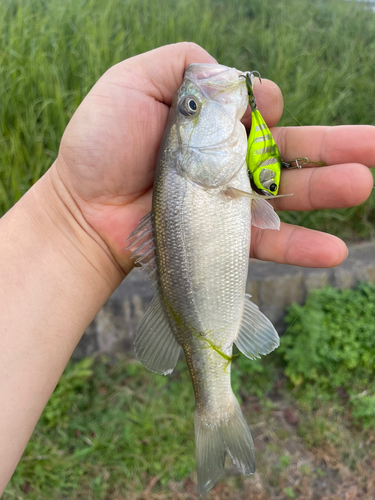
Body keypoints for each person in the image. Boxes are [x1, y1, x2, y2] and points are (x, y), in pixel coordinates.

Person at [0, 42, 374, 493]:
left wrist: (73, 219)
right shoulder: (201, 175)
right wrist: (74, 212)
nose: (197, 101)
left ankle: (218, 416)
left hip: (213, 227)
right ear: (182, 148)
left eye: (189, 106)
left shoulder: (209, 172)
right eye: (192, 107)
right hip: (212, 230)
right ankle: (214, 410)